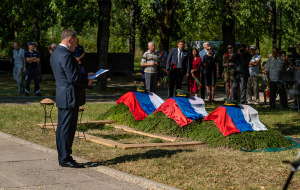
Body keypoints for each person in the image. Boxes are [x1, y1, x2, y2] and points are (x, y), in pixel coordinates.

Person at [50, 29, 93, 168]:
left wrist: (85, 75)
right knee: (67, 129)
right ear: (69, 40)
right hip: (70, 96)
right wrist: (88, 81)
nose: (76, 44)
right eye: (75, 41)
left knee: (62, 128)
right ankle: (65, 158)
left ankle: (62, 156)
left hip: (63, 95)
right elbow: (73, 78)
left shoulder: (56, 53)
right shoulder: (67, 55)